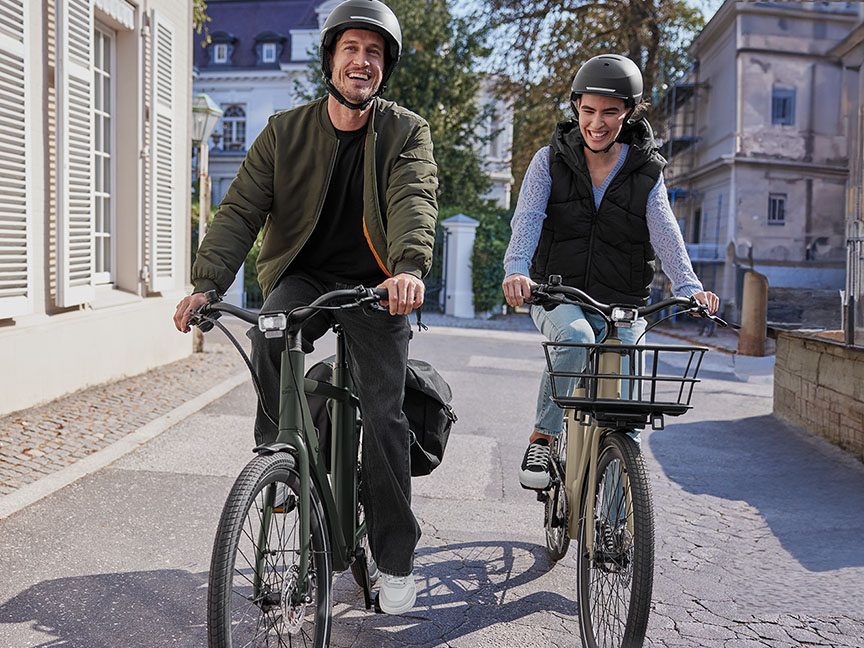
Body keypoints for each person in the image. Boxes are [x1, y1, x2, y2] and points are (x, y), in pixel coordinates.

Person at [173, 0, 438, 615]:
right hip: (306, 275)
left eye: (374, 53)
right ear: (330, 58)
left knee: (386, 414)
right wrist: (209, 283)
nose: (362, 62)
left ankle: (395, 557)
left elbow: (414, 198)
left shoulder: (405, 132)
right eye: (351, 49)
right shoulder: (284, 132)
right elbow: (240, 209)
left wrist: (407, 268)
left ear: (384, 66)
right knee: (271, 328)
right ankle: (284, 452)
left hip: (377, 284)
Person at [501, 54, 719, 490]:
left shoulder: (646, 170)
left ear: (629, 113)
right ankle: (544, 435)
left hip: (624, 303)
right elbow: (526, 221)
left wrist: (690, 287)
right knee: (578, 337)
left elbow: (666, 233)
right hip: (558, 295)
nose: (596, 123)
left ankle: (617, 532)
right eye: (587, 111)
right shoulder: (549, 161)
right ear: (576, 108)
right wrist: (516, 269)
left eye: (610, 112)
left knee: (627, 412)